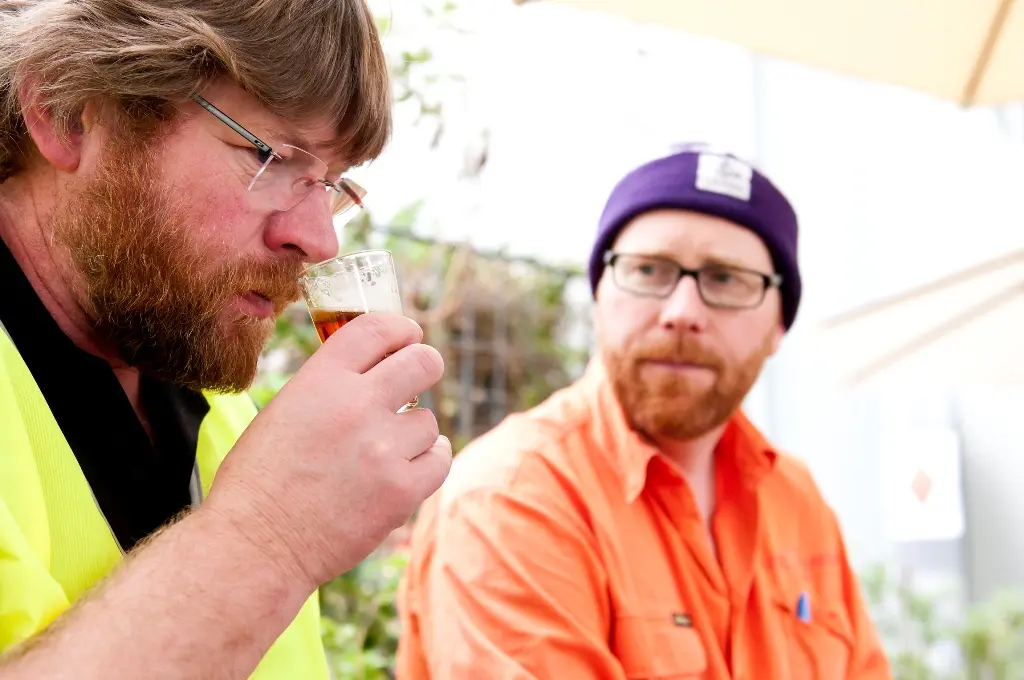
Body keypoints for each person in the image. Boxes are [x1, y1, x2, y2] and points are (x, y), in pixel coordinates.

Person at [0, 1, 452, 678]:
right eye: (270, 155)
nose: (319, 238)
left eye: (331, 184)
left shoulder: (227, 416)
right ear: (67, 109)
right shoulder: (271, 489)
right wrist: (271, 535)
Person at [396, 146, 892, 679]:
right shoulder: (511, 497)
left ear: (778, 327)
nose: (682, 313)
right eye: (649, 270)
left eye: (726, 279)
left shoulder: (797, 501)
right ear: (600, 295)